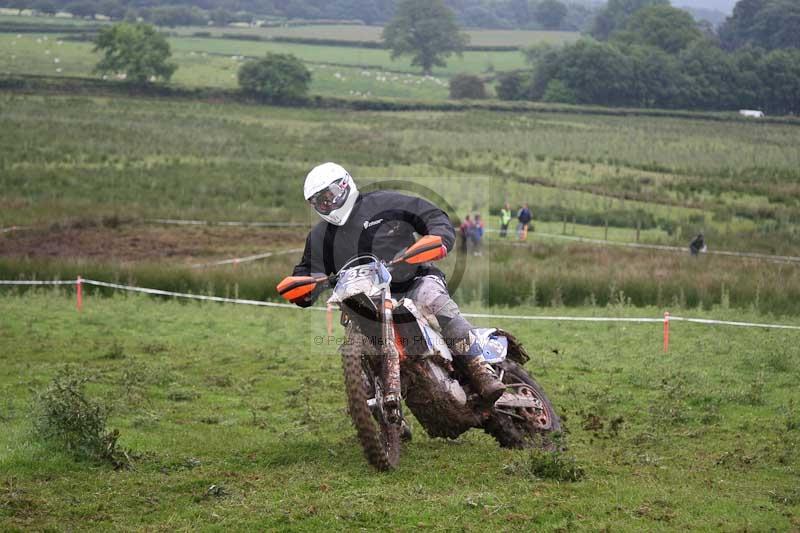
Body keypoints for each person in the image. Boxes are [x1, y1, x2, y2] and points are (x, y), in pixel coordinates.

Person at [287, 162, 505, 402]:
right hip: (365, 300)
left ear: (345, 185)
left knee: (434, 301)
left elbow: (432, 216)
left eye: (330, 196)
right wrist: (301, 286)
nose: (327, 204)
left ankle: (480, 369)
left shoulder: (384, 204)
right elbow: (308, 270)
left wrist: (438, 237)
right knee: (361, 345)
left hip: (413, 282)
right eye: (320, 201)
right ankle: (382, 412)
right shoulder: (320, 236)